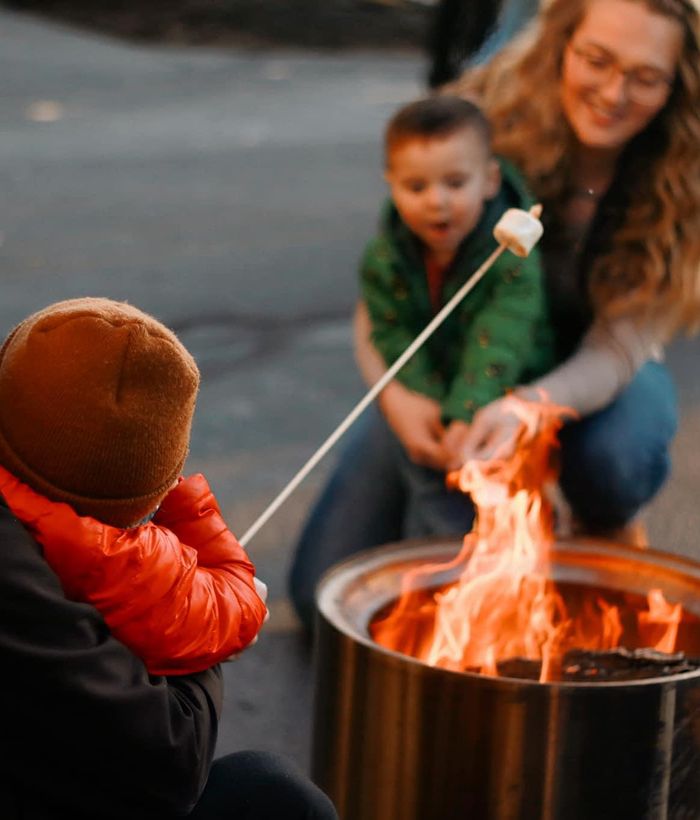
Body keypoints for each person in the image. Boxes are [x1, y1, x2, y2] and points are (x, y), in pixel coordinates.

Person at [289, 0, 700, 633]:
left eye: (645, 78)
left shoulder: (685, 177)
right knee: (319, 597)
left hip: (588, 377)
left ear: (676, 85)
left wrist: (528, 406)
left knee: (621, 454)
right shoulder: (481, 119)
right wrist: (398, 393)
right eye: (597, 60)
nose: (614, 93)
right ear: (561, 43)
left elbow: (620, 347)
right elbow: (387, 295)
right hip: (454, 371)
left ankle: (593, 536)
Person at [0, 297, 338, 819]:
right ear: (138, 507)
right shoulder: (21, 587)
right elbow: (168, 765)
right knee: (277, 799)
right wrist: (199, 620)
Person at [289, 95, 555, 629]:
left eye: (455, 184)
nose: (437, 203)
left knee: (440, 499)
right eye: (417, 187)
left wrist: (462, 411)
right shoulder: (386, 256)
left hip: (500, 398)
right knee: (314, 597)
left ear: (488, 179)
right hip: (427, 396)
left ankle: (436, 597)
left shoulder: (509, 257)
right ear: (391, 184)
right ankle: (410, 567)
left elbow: (500, 337)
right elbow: (390, 331)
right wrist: (419, 399)